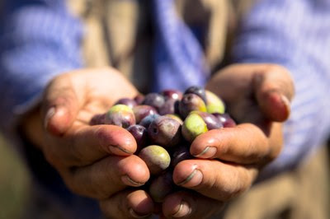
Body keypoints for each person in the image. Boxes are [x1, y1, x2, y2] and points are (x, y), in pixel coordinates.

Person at [0, 0, 329, 218]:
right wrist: (45, 99)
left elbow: (304, 27)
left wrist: (279, 111)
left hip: (273, 206)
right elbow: (30, 24)